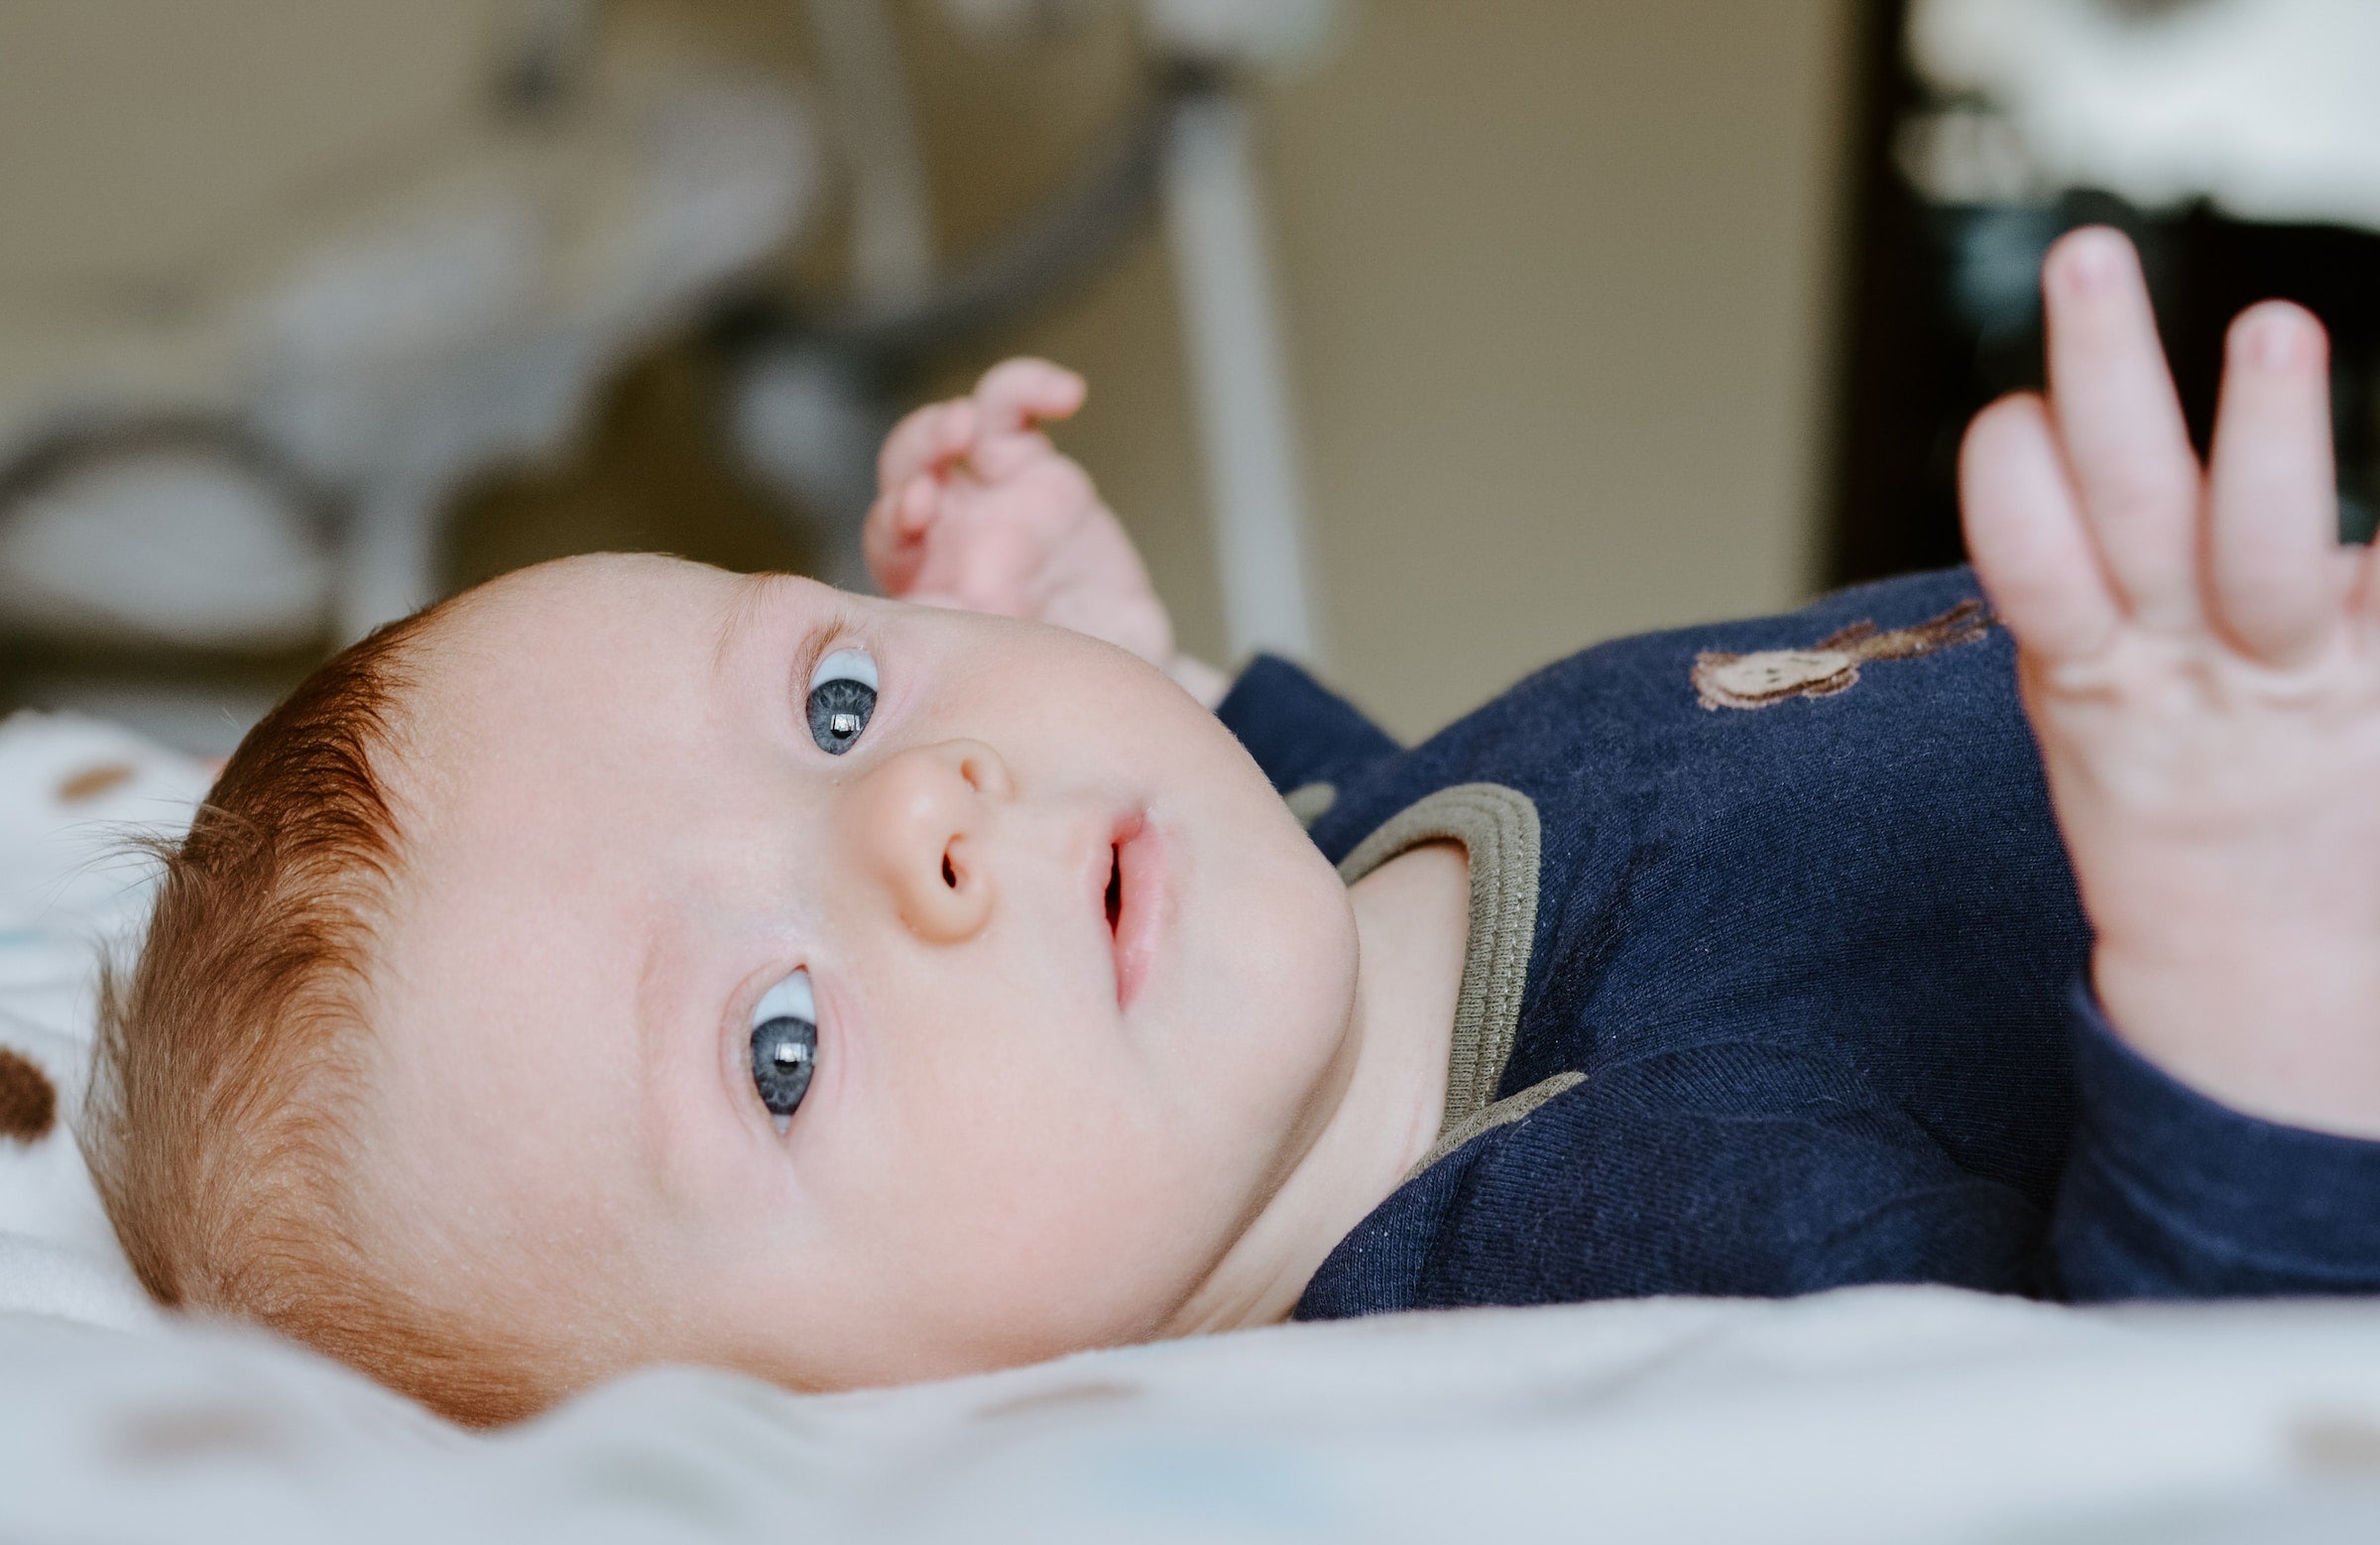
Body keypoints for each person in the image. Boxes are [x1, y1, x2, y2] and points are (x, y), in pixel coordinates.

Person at [83, 228, 2380, 1425]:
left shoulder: (1325, 925)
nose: (928, 814)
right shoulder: (1622, 1253)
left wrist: (1145, 679)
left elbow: (1384, 840)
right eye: (776, 1047)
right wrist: (2256, 964)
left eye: (838, 693)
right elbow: (2172, 1431)